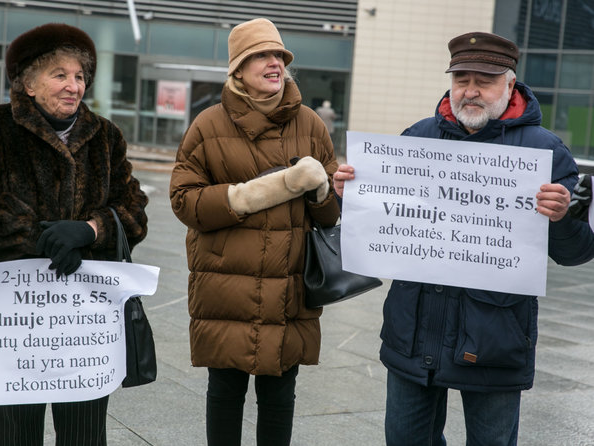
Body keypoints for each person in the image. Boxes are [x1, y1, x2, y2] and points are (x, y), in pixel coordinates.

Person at [334, 32, 594, 445]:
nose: (470, 91)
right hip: (413, 333)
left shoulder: (546, 152)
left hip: (496, 339)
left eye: (484, 80)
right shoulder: (417, 138)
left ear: (510, 86)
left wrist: (561, 218)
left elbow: (577, 251)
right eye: (461, 79)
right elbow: (381, 224)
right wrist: (349, 196)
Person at [0, 23, 148, 446]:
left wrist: (90, 230)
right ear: (28, 83)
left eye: (79, 76)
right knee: (18, 434)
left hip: (83, 322)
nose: (73, 86)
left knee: (85, 434)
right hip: (16, 316)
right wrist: (38, 239)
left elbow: (134, 211)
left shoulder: (105, 136)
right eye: (60, 75)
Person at [169, 18, 340, 446]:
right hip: (225, 286)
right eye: (261, 56)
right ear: (238, 70)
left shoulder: (313, 126)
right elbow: (184, 200)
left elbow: (331, 217)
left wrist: (321, 190)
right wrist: (249, 196)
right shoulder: (208, 125)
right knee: (224, 392)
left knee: (280, 395)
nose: (274, 63)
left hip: (289, 289)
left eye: (279, 56)